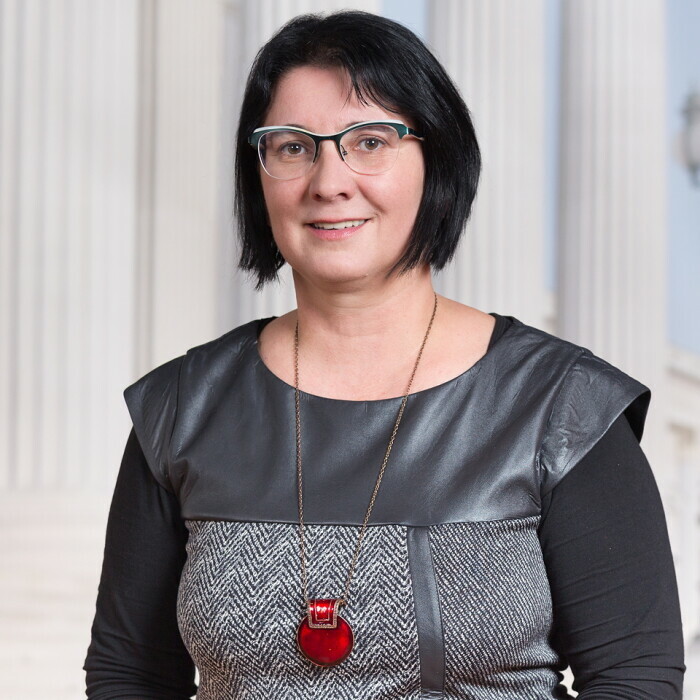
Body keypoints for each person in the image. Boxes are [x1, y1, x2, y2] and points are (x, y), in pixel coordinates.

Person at [84, 10, 685, 699]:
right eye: (292, 147)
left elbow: (634, 680)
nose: (329, 181)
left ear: (438, 162)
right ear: (258, 176)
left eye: (370, 141)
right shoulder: (180, 409)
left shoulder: (563, 407)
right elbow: (129, 676)